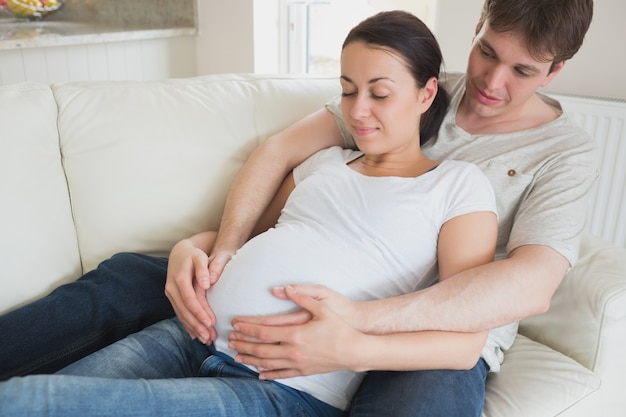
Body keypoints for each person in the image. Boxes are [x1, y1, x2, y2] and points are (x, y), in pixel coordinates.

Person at [0, 0, 596, 415]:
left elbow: (529, 286)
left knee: (418, 402)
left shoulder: (540, 159)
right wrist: (216, 246)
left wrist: (357, 330)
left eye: (522, 71)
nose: (491, 79)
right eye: (487, 51)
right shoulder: (398, 89)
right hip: (223, 329)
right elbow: (282, 158)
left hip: (423, 327)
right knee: (128, 276)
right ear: (478, 27)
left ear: (557, 70)